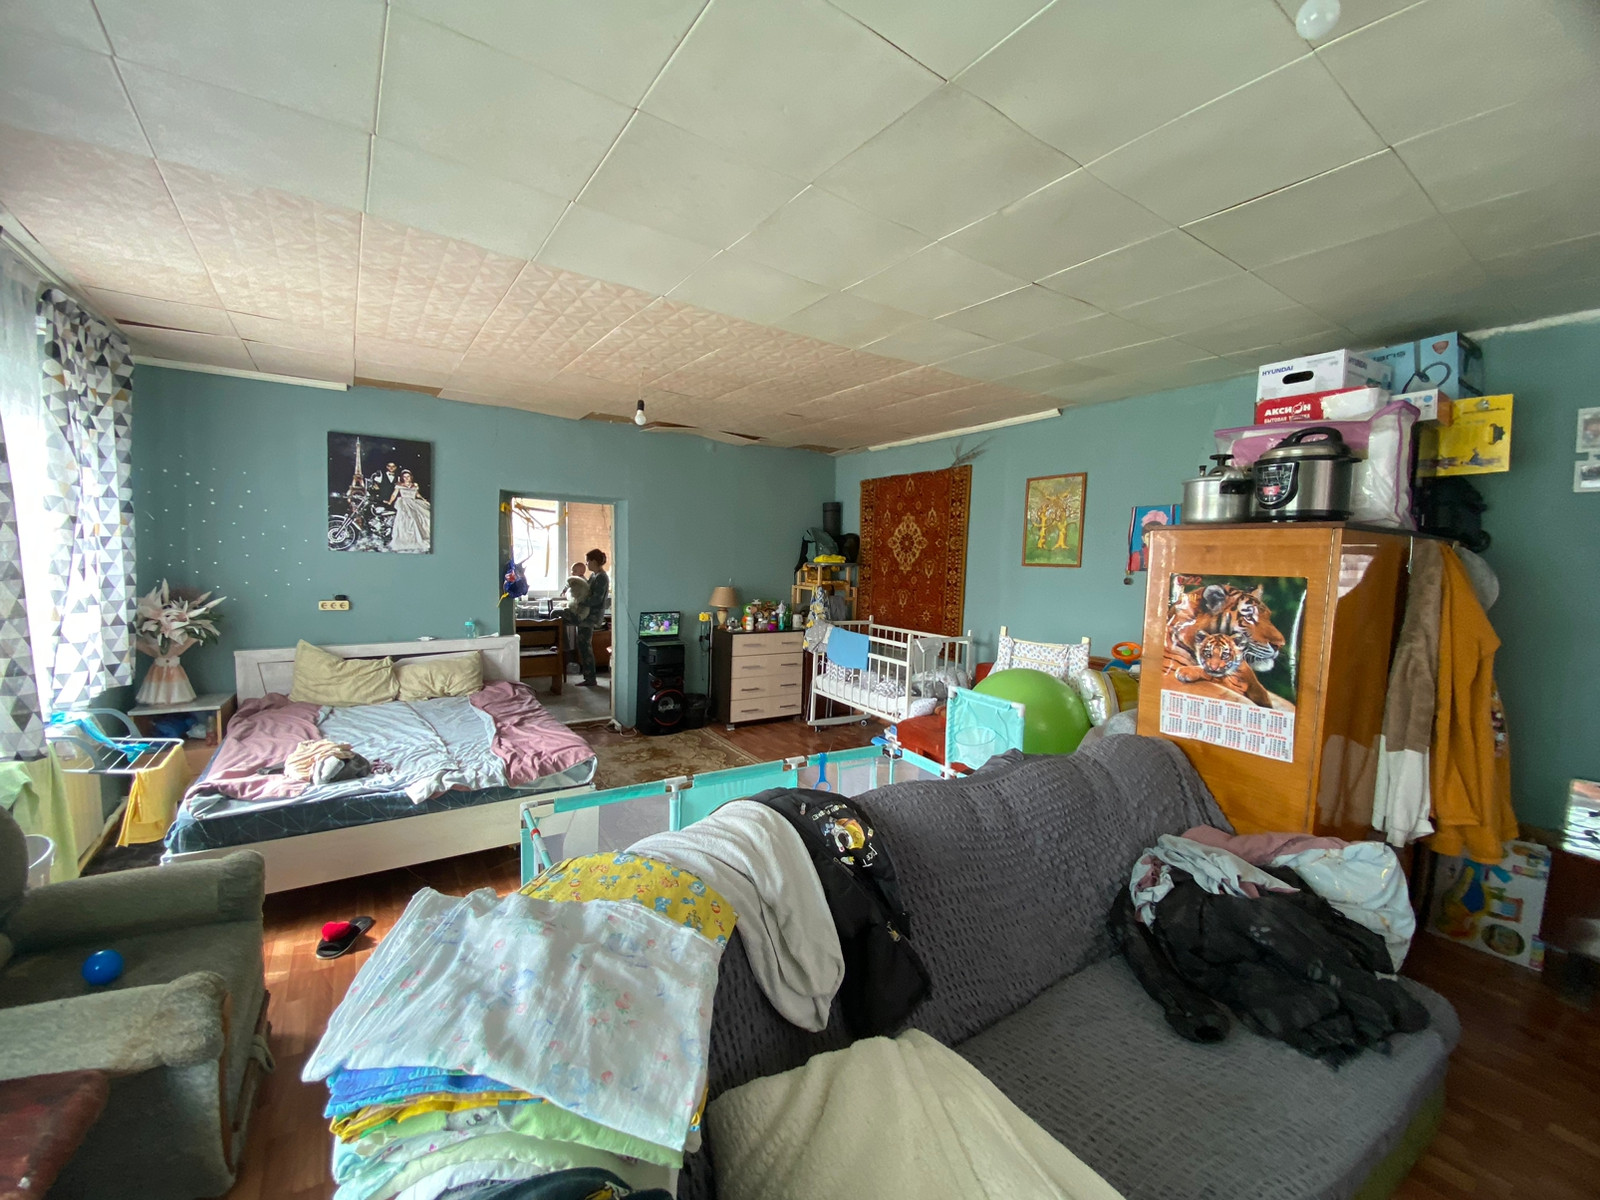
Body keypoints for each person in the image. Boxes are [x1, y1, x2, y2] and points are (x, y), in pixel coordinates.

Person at [574, 548, 609, 687]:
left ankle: (590, 678)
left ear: (594, 561)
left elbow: (597, 599)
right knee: (583, 645)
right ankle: (588, 676)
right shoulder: (594, 576)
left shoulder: (601, 577)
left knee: (585, 646)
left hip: (591, 616)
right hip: (586, 614)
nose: (586, 564)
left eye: (587, 561)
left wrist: (580, 602)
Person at [389, 468, 431, 553]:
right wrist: (390, 502)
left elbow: (417, 494)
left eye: (408, 476)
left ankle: (420, 536)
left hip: (413, 502)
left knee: (424, 516)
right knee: (407, 518)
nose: (406, 478)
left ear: (411, 477)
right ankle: (405, 540)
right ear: (402, 477)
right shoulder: (399, 485)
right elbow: (394, 494)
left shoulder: (414, 485)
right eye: (404, 477)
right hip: (404, 502)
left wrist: (424, 500)